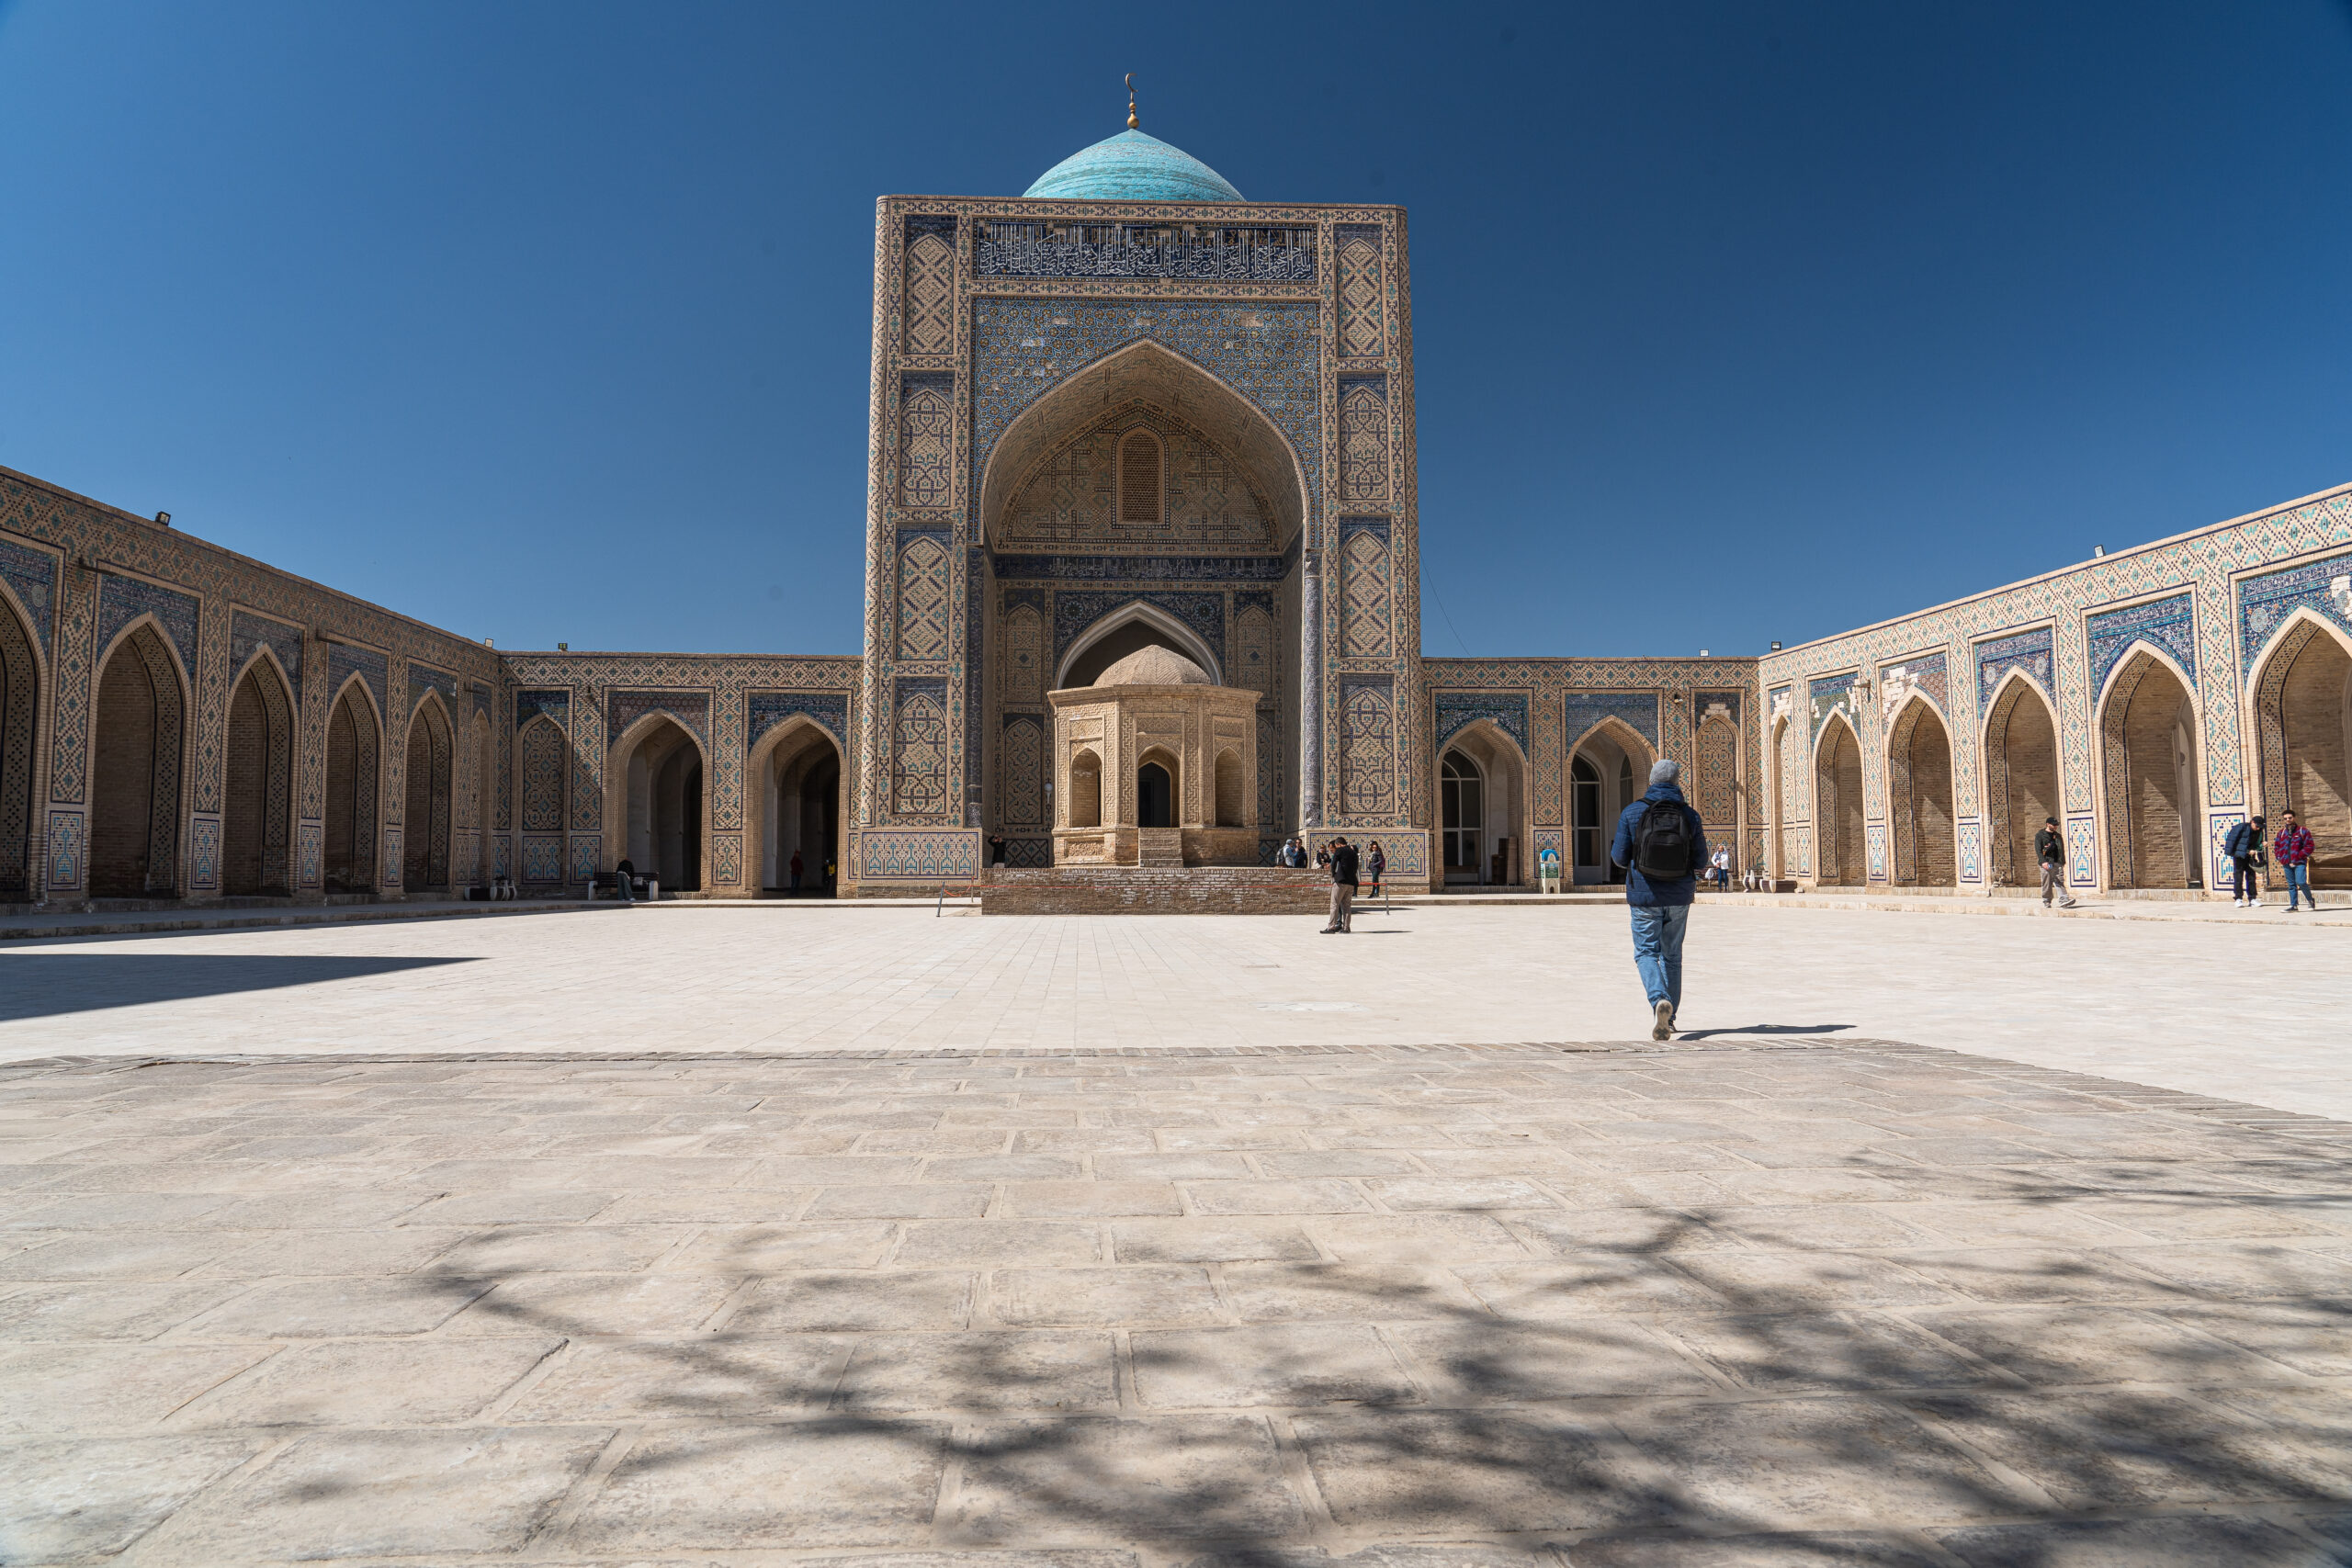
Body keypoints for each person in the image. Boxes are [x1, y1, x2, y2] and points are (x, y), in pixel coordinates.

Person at [1611, 759, 1707, 1041]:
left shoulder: (1633, 812)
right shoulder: (1690, 815)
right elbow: (1701, 860)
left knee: (1645, 953)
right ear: (1678, 782)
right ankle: (1671, 1016)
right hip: (1679, 895)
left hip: (1644, 895)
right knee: (1672, 956)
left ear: (1650, 781)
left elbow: (1618, 857)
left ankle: (1658, 1001)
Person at [2274, 809, 2315, 912]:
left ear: (2294, 818)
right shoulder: (2281, 833)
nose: (2288, 820)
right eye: (2285, 819)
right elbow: (2277, 847)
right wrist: (2280, 857)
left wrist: (2299, 856)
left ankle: (2310, 900)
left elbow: (2310, 846)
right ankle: (2294, 905)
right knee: (2291, 885)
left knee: (2301, 882)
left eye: (2290, 818)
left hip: (2299, 862)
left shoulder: (2303, 831)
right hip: (2287, 863)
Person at [2034, 817, 2076, 909]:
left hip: (2057, 862)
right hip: (2046, 862)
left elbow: (2061, 849)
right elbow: (2038, 850)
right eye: (2054, 825)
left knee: (2059, 880)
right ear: (2048, 824)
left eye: (2056, 825)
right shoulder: (2040, 835)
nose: (2056, 826)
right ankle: (2046, 900)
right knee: (2047, 882)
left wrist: (2062, 861)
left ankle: (2064, 899)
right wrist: (2043, 862)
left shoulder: (2057, 836)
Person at [2223, 816, 2266, 907]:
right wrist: (2246, 851)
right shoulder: (2242, 828)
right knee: (2238, 877)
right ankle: (2238, 898)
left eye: (2260, 827)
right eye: (2257, 826)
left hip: (2250, 857)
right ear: (2252, 822)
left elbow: (2257, 845)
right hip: (2239, 856)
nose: (2258, 828)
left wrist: (2261, 845)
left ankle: (2252, 899)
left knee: (2251, 877)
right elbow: (2233, 842)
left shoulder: (2259, 832)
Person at [1321, 835, 1359, 933]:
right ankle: (1346, 928)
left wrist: (1334, 874)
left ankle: (1331, 927)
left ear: (1338, 844)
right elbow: (1356, 867)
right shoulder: (1354, 852)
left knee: (1334, 904)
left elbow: (1333, 863)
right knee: (1346, 906)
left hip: (1341, 881)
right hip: (1351, 882)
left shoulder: (1340, 850)